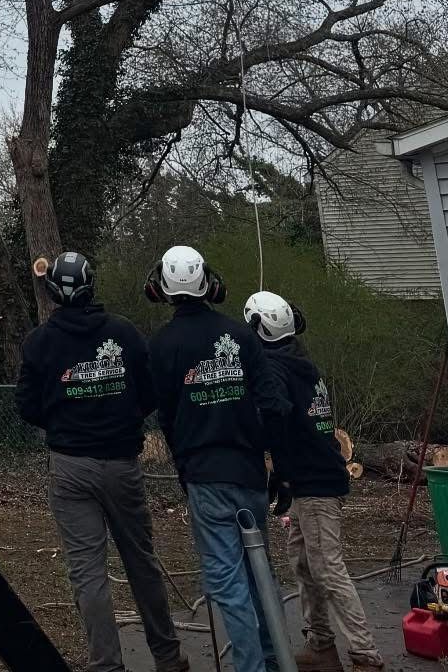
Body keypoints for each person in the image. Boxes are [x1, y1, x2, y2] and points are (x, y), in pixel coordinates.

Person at [16, 251, 189, 672]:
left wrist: (61, 420)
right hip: (122, 464)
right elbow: (149, 393)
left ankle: (107, 665)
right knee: (141, 561)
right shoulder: (125, 334)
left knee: (87, 571)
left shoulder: (39, 342)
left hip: (71, 467)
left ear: (53, 291)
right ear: (92, 285)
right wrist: (124, 416)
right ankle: (168, 656)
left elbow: (26, 405)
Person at [147, 245, 291, 672]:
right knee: (259, 570)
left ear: (164, 290)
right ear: (209, 284)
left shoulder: (163, 345)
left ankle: (252, 667)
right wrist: (280, 471)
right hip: (248, 471)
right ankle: (273, 657)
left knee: (228, 582)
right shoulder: (241, 335)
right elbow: (274, 406)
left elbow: (167, 418)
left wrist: (182, 468)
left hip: (205, 477)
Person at [245, 290, 383, 672]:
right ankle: (320, 642)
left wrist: (274, 465)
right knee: (304, 563)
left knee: (326, 567)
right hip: (311, 479)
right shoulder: (301, 364)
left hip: (316, 483)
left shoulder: (275, 371)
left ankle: (365, 654)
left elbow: (276, 421)